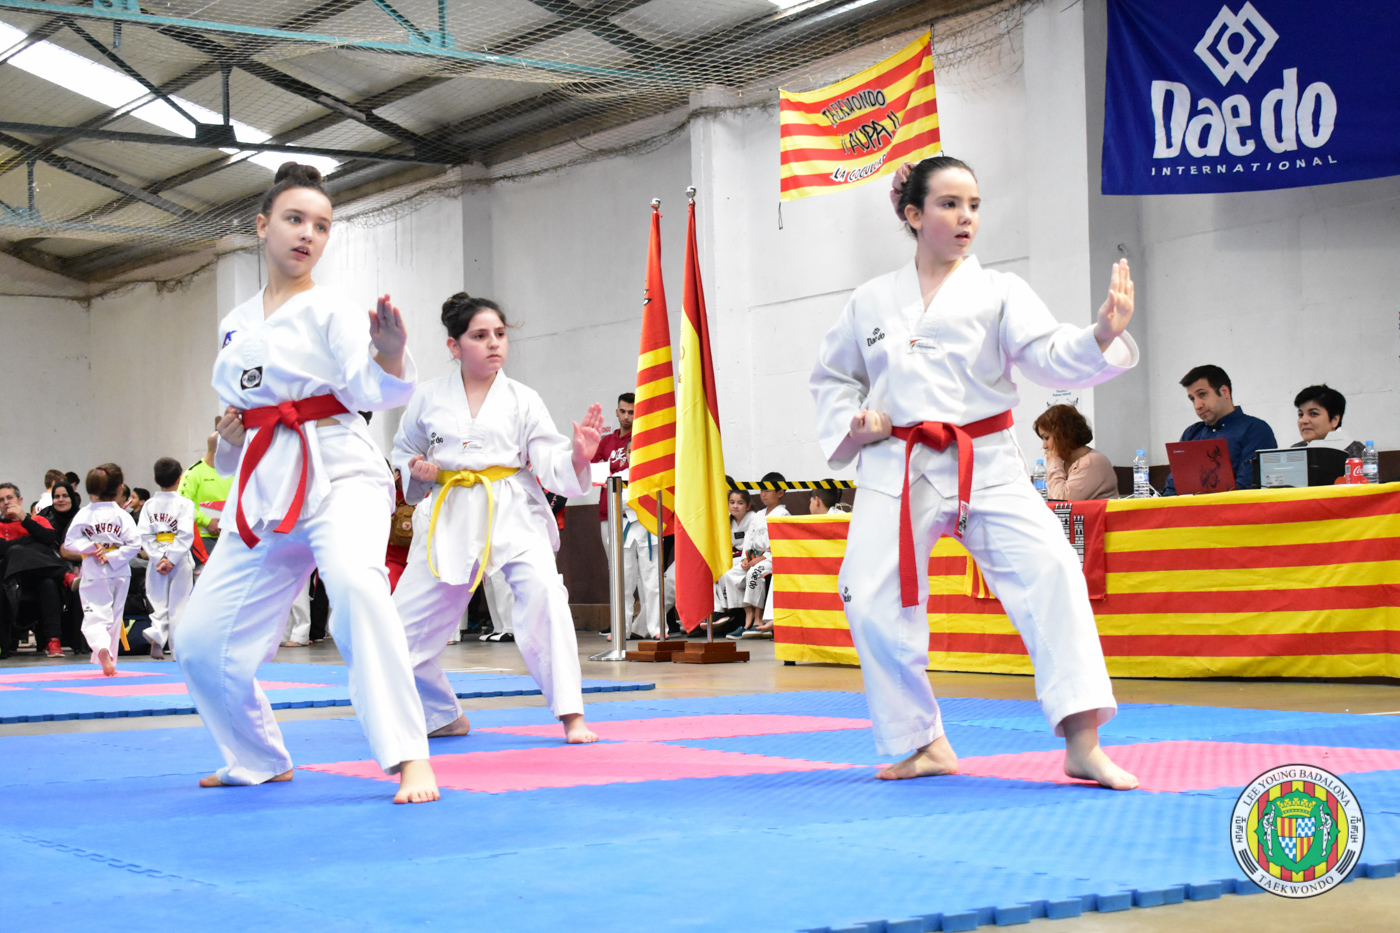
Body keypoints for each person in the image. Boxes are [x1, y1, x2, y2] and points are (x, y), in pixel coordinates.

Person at [810, 155, 1140, 790]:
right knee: (869, 595)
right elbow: (832, 376)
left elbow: (1047, 352)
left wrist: (1099, 334)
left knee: (1053, 570)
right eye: (949, 204)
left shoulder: (1000, 291)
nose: (966, 218)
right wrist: (855, 421)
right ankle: (922, 741)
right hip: (896, 463)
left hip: (982, 458)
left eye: (974, 205)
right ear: (913, 214)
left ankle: (1083, 742)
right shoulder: (869, 300)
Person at [179, 162, 438, 804]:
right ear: (261, 225)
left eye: (321, 226)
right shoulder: (235, 322)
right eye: (295, 220)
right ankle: (256, 756)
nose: (307, 235)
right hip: (265, 484)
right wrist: (230, 436)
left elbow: (371, 389)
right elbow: (235, 428)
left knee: (357, 591)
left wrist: (389, 351)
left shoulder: (334, 308)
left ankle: (410, 756)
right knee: (199, 639)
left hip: (338, 472)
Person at [390, 292, 602, 744]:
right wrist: (418, 470)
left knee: (546, 595)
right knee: (398, 632)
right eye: (480, 336)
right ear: (454, 346)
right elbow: (404, 450)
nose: (493, 344)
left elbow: (548, 455)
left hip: (511, 508)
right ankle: (441, 714)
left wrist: (577, 457)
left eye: (500, 334)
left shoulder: (523, 398)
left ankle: (572, 714)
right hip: (449, 511)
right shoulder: (427, 397)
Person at [62, 464, 141, 676]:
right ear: (120, 489)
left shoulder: (84, 514)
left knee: (95, 616)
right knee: (114, 617)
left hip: (94, 569)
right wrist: (113, 556)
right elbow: (135, 545)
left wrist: (91, 547)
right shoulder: (122, 515)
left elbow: (70, 542)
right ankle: (110, 659)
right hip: (120, 571)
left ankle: (102, 649)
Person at [1162, 365, 1276, 495]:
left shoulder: (1256, 430)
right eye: (1192, 399)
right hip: (1188, 507)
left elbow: (1246, 488)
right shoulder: (1191, 433)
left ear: (1224, 392)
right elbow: (1172, 487)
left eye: (1202, 394)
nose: (1197, 405)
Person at [135, 457, 196, 660]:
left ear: (154, 478)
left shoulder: (149, 505)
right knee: (179, 605)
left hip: (156, 559)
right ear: (180, 479)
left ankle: (157, 634)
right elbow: (185, 534)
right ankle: (178, 651)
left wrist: (158, 558)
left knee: (158, 602)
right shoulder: (185, 504)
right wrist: (171, 559)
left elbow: (144, 534)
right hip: (179, 559)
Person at [1, 482, 68, 658]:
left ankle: (53, 640)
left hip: (38, 577)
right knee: (15, 551)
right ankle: (64, 574)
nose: (6, 502)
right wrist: (31, 542)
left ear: (20, 500)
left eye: (10, 498)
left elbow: (50, 540)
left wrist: (24, 520)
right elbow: (3, 549)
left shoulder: (37, 520)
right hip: (8, 578)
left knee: (48, 584)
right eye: (1, 500)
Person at [729, 472, 790, 639]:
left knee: (755, 572)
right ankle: (747, 613)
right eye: (762, 490)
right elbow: (748, 540)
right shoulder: (758, 515)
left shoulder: (783, 515)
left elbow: (779, 544)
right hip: (753, 558)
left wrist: (761, 559)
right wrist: (745, 559)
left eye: (767, 491)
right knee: (729, 574)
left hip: (771, 559)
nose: (763, 494)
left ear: (780, 493)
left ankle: (758, 620)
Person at [1033, 405, 1118, 500]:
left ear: (1063, 434)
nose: (1044, 446)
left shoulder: (1092, 462)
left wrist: (1054, 462)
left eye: (1047, 438)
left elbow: (1061, 500)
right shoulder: (1064, 462)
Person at [179, 430, 234, 557]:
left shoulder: (233, 473)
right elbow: (181, 505)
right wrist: (207, 521)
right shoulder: (193, 473)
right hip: (203, 540)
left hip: (230, 537)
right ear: (219, 448)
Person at [713, 487, 759, 629]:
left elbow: (752, 543)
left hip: (750, 557)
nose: (735, 506)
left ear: (748, 506)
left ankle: (743, 611)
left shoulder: (753, 518)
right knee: (714, 571)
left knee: (727, 573)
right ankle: (721, 610)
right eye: (732, 502)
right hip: (733, 557)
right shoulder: (728, 521)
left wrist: (746, 558)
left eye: (740, 503)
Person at [1291, 384, 1364, 458]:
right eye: (1300, 415)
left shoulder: (1356, 452)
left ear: (1334, 420)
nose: (1304, 420)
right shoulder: (1295, 451)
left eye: (1313, 414)